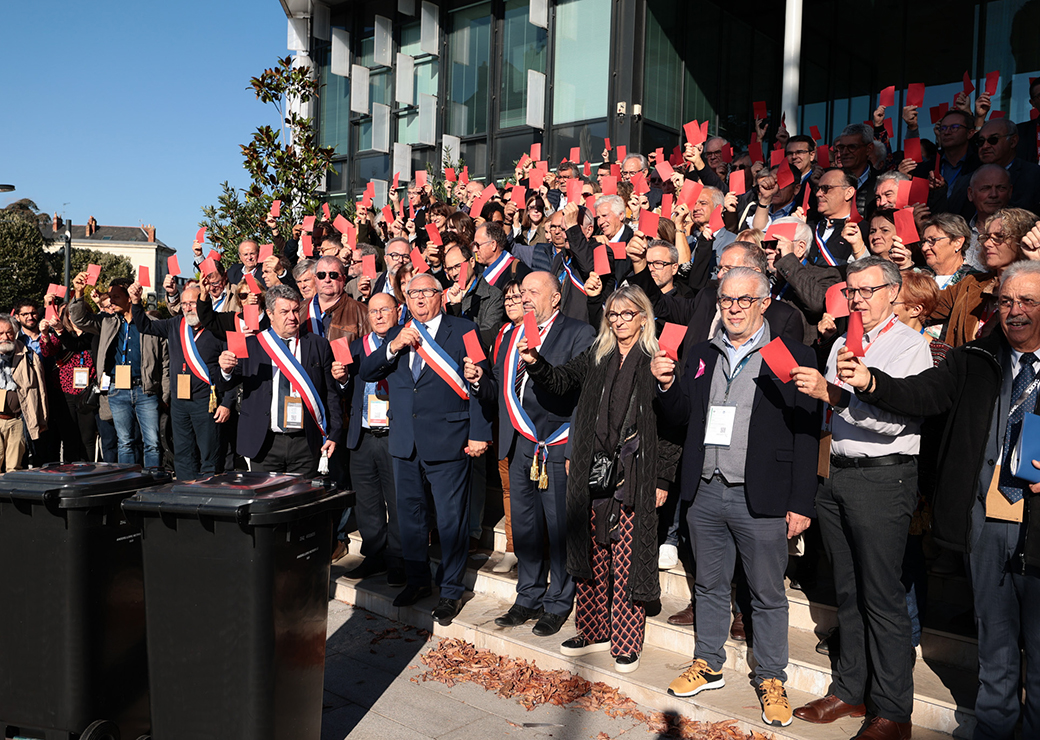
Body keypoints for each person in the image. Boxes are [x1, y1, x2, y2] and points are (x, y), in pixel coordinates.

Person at [835, 259, 1040, 740]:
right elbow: (924, 394)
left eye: (1028, 301)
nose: (1014, 311)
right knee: (995, 639)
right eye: (1006, 301)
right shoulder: (976, 359)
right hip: (988, 517)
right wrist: (872, 383)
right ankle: (993, 728)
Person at [654, 267, 819, 728]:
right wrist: (666, 385)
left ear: (764, 303)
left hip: (762, 495)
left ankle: (771, 677)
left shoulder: (791, 355)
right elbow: (682, 415)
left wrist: (801, 501)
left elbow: (806, 432)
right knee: (708, 586)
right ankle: (708, 663)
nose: (733, 308)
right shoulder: (702, 352)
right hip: (706, 491)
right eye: (726, 299)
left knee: (767, 594)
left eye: (744, 300)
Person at [790, 256, 932, 740]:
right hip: (838, 474)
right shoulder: (841, 344)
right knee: (847, 591)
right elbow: (836, 412)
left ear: (893, 292)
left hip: (883, 478)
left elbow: (894, 420)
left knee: (883, 596)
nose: (857, 299)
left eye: (867, 290)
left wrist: (835, 395)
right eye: (851, 291)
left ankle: (893, 712)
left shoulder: (910, 346)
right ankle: (850, 690)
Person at [504, 285, 679, 672]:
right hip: (591, 468)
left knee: (627, 558)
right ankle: (592, 629)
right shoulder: (598, 354)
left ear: (644, 318)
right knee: (591, 554)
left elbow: (671, 427)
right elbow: (561, 381)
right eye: (613, 315)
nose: (619, 322)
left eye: (627, 314)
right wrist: (534, 362)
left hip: (635, 472)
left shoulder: (658, 358)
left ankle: (626, 641)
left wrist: (663, 479)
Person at [358, 273, 494, 626]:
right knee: (410, 519)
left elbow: (483, 383)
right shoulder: (397, 332)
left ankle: (451, 591)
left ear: (441, 295)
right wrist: (393, 346)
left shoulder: (464, 329)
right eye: (413, 293)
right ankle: (418, 580)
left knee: (451, 521)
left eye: (427, 292)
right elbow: (367, 371)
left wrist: (479, 433)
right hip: (405, 442)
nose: (419, 298)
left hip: (450, 440)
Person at [466, 272, 596, 638]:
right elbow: (498, 388)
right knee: (524, 528)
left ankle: (557, 603)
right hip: (520, 444)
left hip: (556, 443)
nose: (525, 297)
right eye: (522, 292)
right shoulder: (511, 334)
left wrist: (573, 446)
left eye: (533, 292)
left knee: (558, 529)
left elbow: (580, 393)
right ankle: (528, 596)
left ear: (555, 298)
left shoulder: (578, 333)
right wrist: (478, 380)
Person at [216, 284, 343, 476]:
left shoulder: (318, 345)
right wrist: (226, 370)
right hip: (264, 442)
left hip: (306, 442)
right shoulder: (252, 345)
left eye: (295, 310)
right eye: (284, 312)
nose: (292, 317)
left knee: (303, 495)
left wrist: (334, 433)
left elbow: (331, 394)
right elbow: (226, 384)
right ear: (270, 314)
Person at [336, 292, 405, 587]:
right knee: (367, 501)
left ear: (397, 311)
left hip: (394, 434)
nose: (378, 316)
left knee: (398, 500)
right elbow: (344, 388)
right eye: (373, 311)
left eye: (384, 310)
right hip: (362, 435)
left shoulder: (406, 342)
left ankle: (399, 558)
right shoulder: (355, 347)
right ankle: (374, 555)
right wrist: (341, 379)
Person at [131, 282, 231, 481]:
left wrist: (227, 402)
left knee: (210, 453)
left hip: (207, 401)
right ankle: (186, 490)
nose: (188, 308)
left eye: (192, 303)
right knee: (183, 452)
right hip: (179, 402)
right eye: (184, 304)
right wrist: (136, 302)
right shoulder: (175, 324)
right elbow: (145, 326)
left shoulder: (218, 327)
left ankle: (209, 491)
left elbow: (233, 369)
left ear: (203, 302)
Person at [69, 274, 167, 468]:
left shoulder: (150, 323)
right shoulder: (107, 322)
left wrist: (165, 394)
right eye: (110, 297)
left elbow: (165, 362)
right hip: (117, 390)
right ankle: (127, 480)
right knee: (125, 442)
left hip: (145, 390)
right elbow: (79, 319)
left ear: (129, 298)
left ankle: (153, 480)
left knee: (152, 443)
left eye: (116, 297)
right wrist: (79, 292)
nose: (111, 301)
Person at [931, 207, 1036, 347]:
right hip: (964, 361)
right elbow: (925, 303)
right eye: (986, 237)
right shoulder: (971, 283)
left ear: (1023, 241)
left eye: (999, 237)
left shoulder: (1036, 287)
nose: (987, 244)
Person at [0, 314, 48, 471]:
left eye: (9, 333)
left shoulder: (28, 355)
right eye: (1, 333)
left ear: (15, 333)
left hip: (17, 420)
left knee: (15, 467)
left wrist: (42, 419)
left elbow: (40, 390)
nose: (5, 337)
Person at [443, 244, 506, 347]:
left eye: (458, 266)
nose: (454, 273)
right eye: (450, 269)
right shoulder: (445, 297)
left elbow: (486, 338)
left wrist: (457, 308)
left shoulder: (493, 295)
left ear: (472, 262)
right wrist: (454, 306)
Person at [920, 213, 977, 289]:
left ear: (957, 242)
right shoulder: (918, 276)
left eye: (933, 240)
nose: (924, 248)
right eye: (924, 241)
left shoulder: (974, 280)